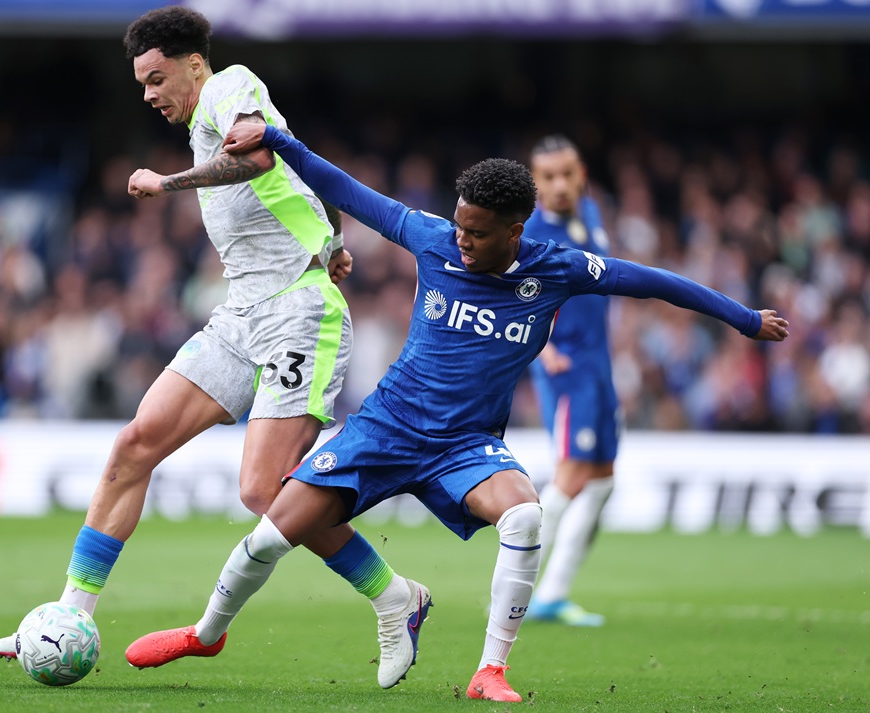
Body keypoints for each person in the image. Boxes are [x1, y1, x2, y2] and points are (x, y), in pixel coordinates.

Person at [121, 122, 789, 702]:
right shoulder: (432, 237)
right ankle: (205, 634)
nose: (463, 240)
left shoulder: (558, 268)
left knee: (525, 510)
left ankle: (489, 668)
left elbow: (655, 282)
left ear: (515, 229)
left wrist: (743, 317)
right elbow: (348, 190)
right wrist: (278, 141)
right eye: (461, 224)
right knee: (271, 533)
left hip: (464, 445)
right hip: (386, 426)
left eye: (478, 232)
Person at [0, 7, 430, 691]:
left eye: (155, 77)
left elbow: (258, 156)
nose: (148, 94)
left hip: (298, 316)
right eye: (140, 83)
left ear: (193, 62)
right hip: (240, 313)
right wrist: (334, 241)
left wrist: (167, 184)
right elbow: (301, 172)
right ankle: (66, 615)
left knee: (262, 490)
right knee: (136, 443)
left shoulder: (230, 87)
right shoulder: (212, 115)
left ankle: (395, 595)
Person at [521, 135, 615, 627]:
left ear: (582, 175)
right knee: (573, 474)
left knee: (602, 481)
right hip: (567, 368)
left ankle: (553, 596)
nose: (559, 185)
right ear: (534, 184)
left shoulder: (589, 215)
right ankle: (515, 579)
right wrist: (544, 348)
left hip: (599, 367)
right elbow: (511, 297)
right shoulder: (530, 233)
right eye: (548, 177)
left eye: (567, 174)